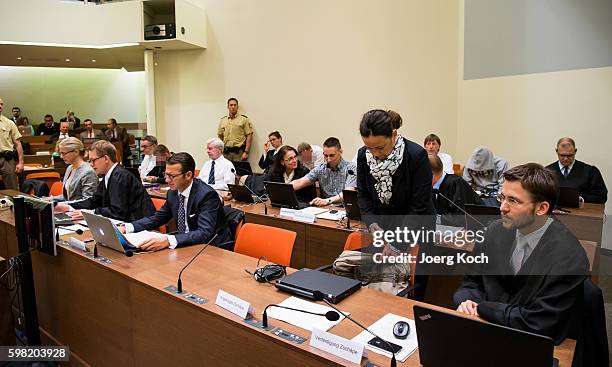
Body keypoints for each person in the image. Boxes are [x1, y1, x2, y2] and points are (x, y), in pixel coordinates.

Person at [454, 163, 588, 344]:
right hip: (486, 330)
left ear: (541, 209)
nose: (502, 207)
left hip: (531, 344)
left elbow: (540, 323)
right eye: (502, 198)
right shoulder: (493, 232)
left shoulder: (569, 256)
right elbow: (470, 282)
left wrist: (484, 309)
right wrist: (468, 302)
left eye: (513, 201)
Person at [120, 152, 233, 251]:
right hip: (185, 243)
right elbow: (158, 218)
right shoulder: (173, 192)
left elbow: (204, 233)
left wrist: (168, 240)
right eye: (166, 175)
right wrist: (128, 227)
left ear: (188, 175)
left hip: (210, 247)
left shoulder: (206, 195)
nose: (167, 180)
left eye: (172, 176)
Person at [54, 140, 155, 222]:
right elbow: (94, 200)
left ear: (106, 158)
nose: (91, 165)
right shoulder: (108, 175)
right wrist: (68, 207)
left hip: (139, 226)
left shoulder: (119, 176)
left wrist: (91, 212)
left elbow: (117, 212)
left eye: (93, 160)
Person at [292, 137, 356, 206]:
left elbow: (348, 193)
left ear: (340, 152)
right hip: (326, 208)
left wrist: (327, 201)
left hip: (345, 207)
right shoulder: (321, 168)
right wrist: (284, 189)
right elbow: (301, 182)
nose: (328, 160)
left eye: (332, 155)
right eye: (325, 155)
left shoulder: (351, 167)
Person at [545, 137, 607, 204]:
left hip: (584, 211)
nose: (565, 158)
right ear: (557, 151)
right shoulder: (547, 172)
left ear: (575, 151)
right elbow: (540, 194)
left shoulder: (590, 171)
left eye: (569, 155)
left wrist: (581, 198)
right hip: (555, 211)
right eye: (562, 155)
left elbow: (601, 196)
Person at [429, 154, 483, 227]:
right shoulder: (431, 187)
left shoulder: (456, 183)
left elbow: (461, 218)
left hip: (476, 229)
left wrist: (435, 218)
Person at [49, 137, 98, 202]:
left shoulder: (88, 172)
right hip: (69, 209)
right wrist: (48, 199)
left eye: (64, 153)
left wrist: (65, 205)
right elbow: (67, 197)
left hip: (79, 211)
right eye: (60, 153)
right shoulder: (69, 168)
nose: (61, 156)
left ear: (76, 152)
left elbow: (88, 200)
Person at [0, 97, 25, 190]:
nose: (0, 106)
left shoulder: (9, 123)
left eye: (1, 104)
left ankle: (15, 204)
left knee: (13, 189)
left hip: (6, 159)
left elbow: (18, 143)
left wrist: (21, 162)